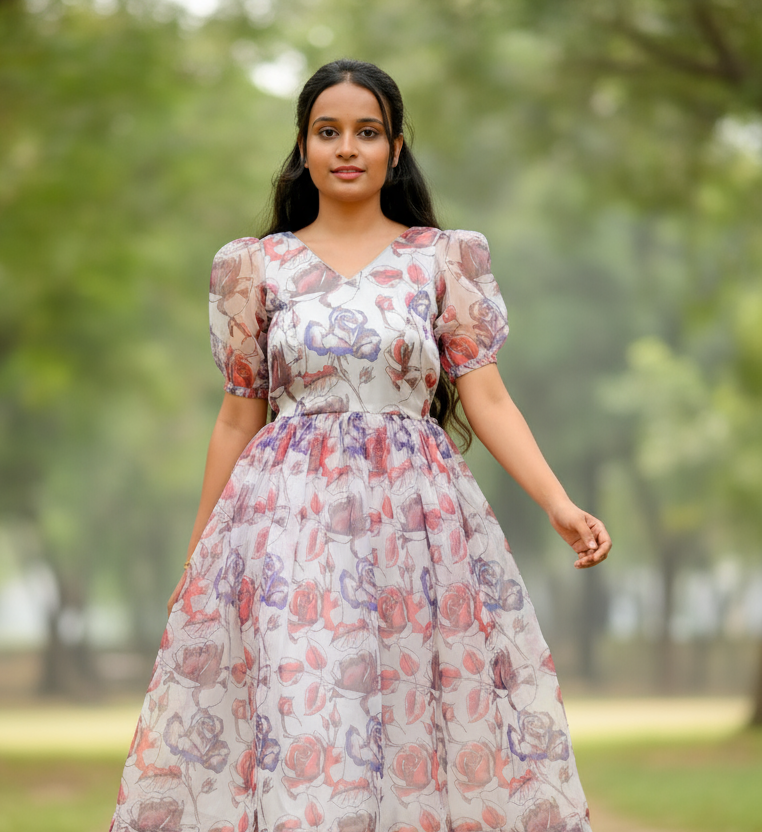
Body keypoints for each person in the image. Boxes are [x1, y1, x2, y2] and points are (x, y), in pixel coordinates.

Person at [109, 58, 610, 832]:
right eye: (328, 132)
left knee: (408, 720)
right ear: (304, 148)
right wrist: (200, 555)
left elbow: (489, 396)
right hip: (285, 530)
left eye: (367, 133)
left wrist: (559, 502)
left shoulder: (441, 261)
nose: (348, 148)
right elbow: (238, 417)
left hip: (417, 530)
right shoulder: (256, 266)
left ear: (396, 148)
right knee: (304, 717)